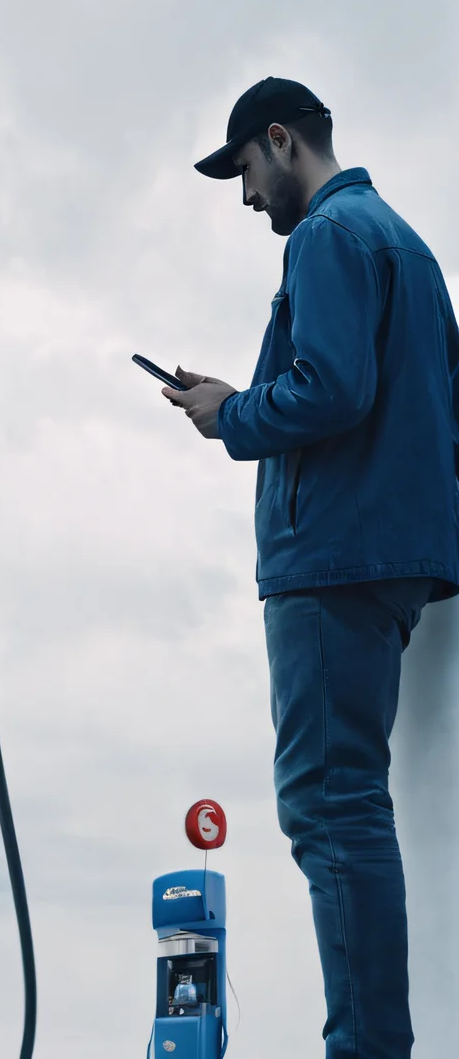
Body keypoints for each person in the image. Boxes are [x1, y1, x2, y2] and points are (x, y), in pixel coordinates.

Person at [162, 76, 459, 1059]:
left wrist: (231, 415)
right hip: (395, 555)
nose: (248, 197)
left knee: (330, 806)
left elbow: (332, 387)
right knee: (351, 802)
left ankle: (366, 1048)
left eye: (246, 170)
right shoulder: (408, 247)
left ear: (282, 140)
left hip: (333, 557)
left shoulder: (328, 236)